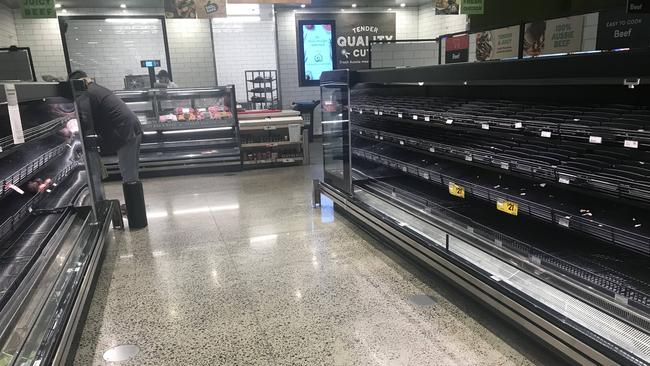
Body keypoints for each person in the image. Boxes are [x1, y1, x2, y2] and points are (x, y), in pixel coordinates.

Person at [68, 70, 142, 184]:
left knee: (128, 172)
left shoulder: (89, 93)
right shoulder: (95, 89)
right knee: (129, 169)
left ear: (79, 83)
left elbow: (86, 119)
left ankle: (134, 199)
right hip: (128, 128)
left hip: (125, 130)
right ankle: (133, 197)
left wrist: (75, 131)